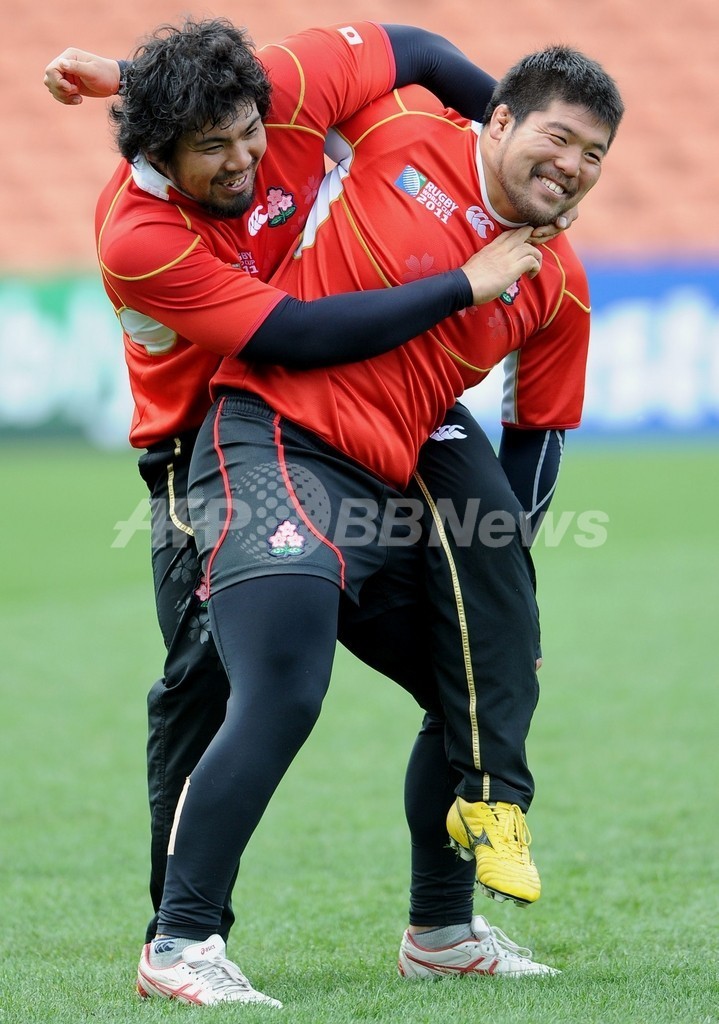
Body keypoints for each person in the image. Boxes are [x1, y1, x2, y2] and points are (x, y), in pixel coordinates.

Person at [42, 20, 591, 1005]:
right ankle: (181, 938)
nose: (245, 158)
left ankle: (441, 930)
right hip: (210, 440)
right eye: (212, 146)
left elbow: (415, 51)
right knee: (226, 686)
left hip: (364, 437)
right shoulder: (139, 235)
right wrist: (462, 283)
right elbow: (292, 334)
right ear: (159, 149)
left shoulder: (283, 88)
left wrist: (513, 145)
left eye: (249, 131)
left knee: (471, 676)